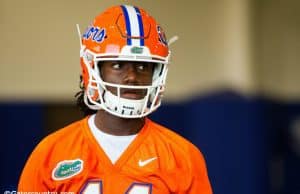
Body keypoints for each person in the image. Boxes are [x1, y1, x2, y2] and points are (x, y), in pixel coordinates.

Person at [18, 4, 212, 194]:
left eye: (143, 67)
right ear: (94, 69)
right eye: (118, 65)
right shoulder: (49, 154)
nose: (132, 77)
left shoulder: (183, 157)